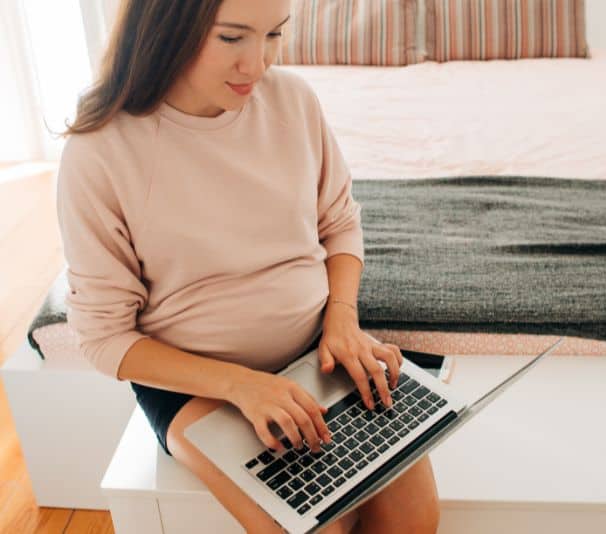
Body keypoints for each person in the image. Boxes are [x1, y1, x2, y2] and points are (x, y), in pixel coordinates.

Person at [56, 0, 440, 532]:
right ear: (166, 28)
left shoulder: (294, 101)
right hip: (197, 385)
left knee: (413, 519)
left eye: (274, 35)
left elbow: (340, 224)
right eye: (232, 39)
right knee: (313, 525)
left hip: (316, 352)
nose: (257, 65)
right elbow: (102, 338)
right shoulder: (100, 151)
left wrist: (342, 321)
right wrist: (240, 385)